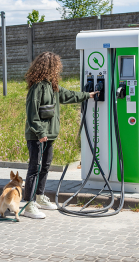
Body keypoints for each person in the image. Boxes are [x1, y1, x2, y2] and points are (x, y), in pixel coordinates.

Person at [22, 52, 99, 219]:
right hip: (37, 136)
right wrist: (41, 132)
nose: (57, 69)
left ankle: (40, 197)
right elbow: (31, 114)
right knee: (34, 169)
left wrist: (88, 95)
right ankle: (29, 204)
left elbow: (69, 95)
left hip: (49, 135)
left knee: (45, 167)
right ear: (48, 67)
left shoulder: (52, 86)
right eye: (55, 66)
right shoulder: (37, 87)